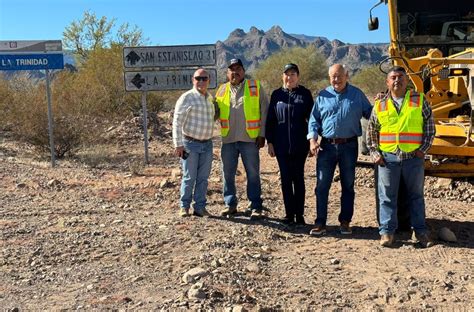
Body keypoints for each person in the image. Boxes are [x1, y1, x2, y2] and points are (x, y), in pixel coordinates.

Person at [366, 66, 435, 248]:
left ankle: (420, 232)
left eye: (401, 77)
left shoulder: (419, 100)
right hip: (388, 160)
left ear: (407, 81)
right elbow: (372, 131)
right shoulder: (380, 104)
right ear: (387, 82)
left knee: (416, 196)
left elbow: (430, 126)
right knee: (387, 197)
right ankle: (387, 232)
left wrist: (423, 149)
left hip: (413, 158)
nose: (397, 80)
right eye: (393, 77)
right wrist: (375, 154)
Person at [307, 64, 372, 236]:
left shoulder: (357, 95)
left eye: (339, 76)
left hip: (349, 146)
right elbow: (314, 120)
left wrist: (382, 104)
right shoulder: (323, 95)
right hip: (326, 146)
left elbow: (371, 113)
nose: (336, 80)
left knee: (348, 185)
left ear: (347, 75)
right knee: (322, 185)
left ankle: (345, 222)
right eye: (333, 76)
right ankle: (320, 223)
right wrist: (312, 140)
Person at [215, 58, 268, 219]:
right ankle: (230, 204)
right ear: (227, 73)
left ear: (243, 71)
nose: (235, 72)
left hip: (250, 139)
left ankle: (255, 206)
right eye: (232, 69)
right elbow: (215, 113)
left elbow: (265, 111)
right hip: (228, 140)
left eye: (238, 69)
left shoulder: (255, 87)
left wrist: (262, 133)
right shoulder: (221, 90)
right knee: (227, 173)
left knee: (252, 173)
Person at [265, 63, 314, 226]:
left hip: (300, 144)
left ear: (298, 77)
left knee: (298, 178)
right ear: (282, 76)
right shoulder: (276, 94)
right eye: (287, 74)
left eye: (293, 74)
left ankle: (299, 215)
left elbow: (312, 120)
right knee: (285, 179)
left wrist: (312, 140)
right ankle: (289, 214)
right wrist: (270, 141)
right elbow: (270, 120)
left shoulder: (305, 94)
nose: (289, 77)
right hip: (281, 145)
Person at [172, 68, 215, 217]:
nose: (201, 81)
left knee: (203, 178)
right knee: (189, 177)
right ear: (193, 80)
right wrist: (178, 144)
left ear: (209, 80)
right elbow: (177, 122)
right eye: (198, 78)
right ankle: (184, 207)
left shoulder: (210, 98)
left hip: (207, 144)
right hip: (190, 144)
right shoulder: (186, 97)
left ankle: (200, 207)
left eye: (204, 78)